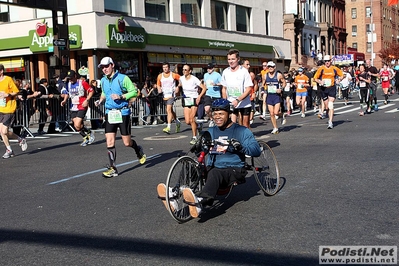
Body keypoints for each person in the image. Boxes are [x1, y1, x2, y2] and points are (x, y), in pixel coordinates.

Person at [157, 98, 261, 218]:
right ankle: (174, 194)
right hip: (212, 167)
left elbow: (256, 150)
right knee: (190, 164)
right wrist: (198, 147)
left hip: (234, 169)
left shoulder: (241, 131)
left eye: (221, 114)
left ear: (229, 113)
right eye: (215, 114)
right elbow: (200, 151)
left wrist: (240, 147)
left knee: (216, 173)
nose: (217, 117)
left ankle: (201, 200)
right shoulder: (210, 131)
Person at [96, 56, 146, 178]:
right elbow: (104, 93)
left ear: (112, 65)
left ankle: (137, 149)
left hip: (122, 113)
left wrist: (121, 97)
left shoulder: (123, 78)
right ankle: (113, 168)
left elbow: (134, 92)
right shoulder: (103, 80)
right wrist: (100, 100)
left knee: (127, 142)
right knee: (109, 140)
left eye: (106, 66)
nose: (104, 69)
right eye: (102, 67)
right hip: (110, 113)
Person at [0, 64, 28, 158]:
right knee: (2, 132)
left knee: (4, 131)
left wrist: (7, 94)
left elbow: (16, 91)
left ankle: (14, 145)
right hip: (0, 108)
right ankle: (12, 146)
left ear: (1, 71)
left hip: (9, 108)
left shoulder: (8, 79)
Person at [60, 70, 95, 146]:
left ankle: (87, 136)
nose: (70, 80)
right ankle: (87, 134)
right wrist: (64, 100)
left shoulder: (82, 83)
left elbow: (91, 91)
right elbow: (66, 93)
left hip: (82, 105)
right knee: (76, 126)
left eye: (72, 78)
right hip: (73, 106)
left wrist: (87, 100)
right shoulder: (68, 84)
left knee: (78, 123)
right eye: (69, 78)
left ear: (75, 76)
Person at [221, 49, 253, 128]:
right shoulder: (225, 71)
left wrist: (238, 100)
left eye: (233, 59)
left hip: (244, 103)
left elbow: (248, 89)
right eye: (229, 59)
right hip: (231, 102)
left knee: (245, 125)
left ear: (238, 59)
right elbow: (224, 88)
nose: (230, 61)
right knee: (231, 124)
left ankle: (246, 139)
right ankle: (234, 139)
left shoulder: (244, 71)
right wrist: (224, 101)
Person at [176, 64, 207, 144]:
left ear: (190, 71)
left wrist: (199, 97)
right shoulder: (181, 78)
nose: (183, 71)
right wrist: (177, 88)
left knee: (191, 119)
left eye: (185, 70)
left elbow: (204, 88)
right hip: (186, 100)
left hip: (194, 99)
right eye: (183, 70)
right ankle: (198, 126)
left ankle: (194, 137)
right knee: (187, 121)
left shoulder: (194, 79)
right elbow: (180, 85)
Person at [313, 55, 343, 129]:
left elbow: (342, 75)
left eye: (328, 61)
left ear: (331, 61)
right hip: (323, 89)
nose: (327, 63)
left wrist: (339, 79)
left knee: (330, 105)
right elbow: (315, 78)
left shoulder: (334, 69)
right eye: (325, 61)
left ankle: (330, 122)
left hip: (332, 88)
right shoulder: (321, 69)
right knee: (327, 107)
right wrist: (320, 81)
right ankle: (327, 113)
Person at [156, 62, 181, 134]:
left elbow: (181, 79)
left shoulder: (173, 75)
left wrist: (178, 87)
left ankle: (168, 127)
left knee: (168, 110)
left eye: (166, 67)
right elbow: (158, 84)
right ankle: (177, 122)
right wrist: (159, 88)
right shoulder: (160, 76)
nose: (165, 69)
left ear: (169, 68)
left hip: (171, 95)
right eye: (164, 67)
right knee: (171, 111)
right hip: (164, 95)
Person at [265, 61, 286, 134]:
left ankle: (282, 115)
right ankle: (275, 128)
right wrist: (263, 90)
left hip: (276, 96)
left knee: (276, 112)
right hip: (269, 96)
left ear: (275, 67)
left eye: (272, 67)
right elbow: (263, 84)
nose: (270, 68)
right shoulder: (265, 75)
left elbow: (284, 82)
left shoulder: (278, 75)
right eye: (269, 67)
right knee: (271, 113)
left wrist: (281, 89)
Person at [203, 63, 222, 127]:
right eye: (207, 68)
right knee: (207, 109)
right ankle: (211, 119)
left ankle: (218, 122)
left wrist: (216, 84)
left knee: (216, 110)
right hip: (208, 94)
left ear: (213, 68)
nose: (208, 70)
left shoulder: (217, 75)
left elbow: (222, 82)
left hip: (216, 95)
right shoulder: (205, 75)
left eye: (210, 68)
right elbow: (205, 83)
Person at [242, 59, 258, 126]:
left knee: (248, 116)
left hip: (250, 95)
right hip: (241, 96)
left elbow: (255, 84)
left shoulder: (251, 74)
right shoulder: (239, 74)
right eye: (247, 64)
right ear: (242, 66)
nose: (249, 66)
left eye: (249, 64)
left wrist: (254, 92)